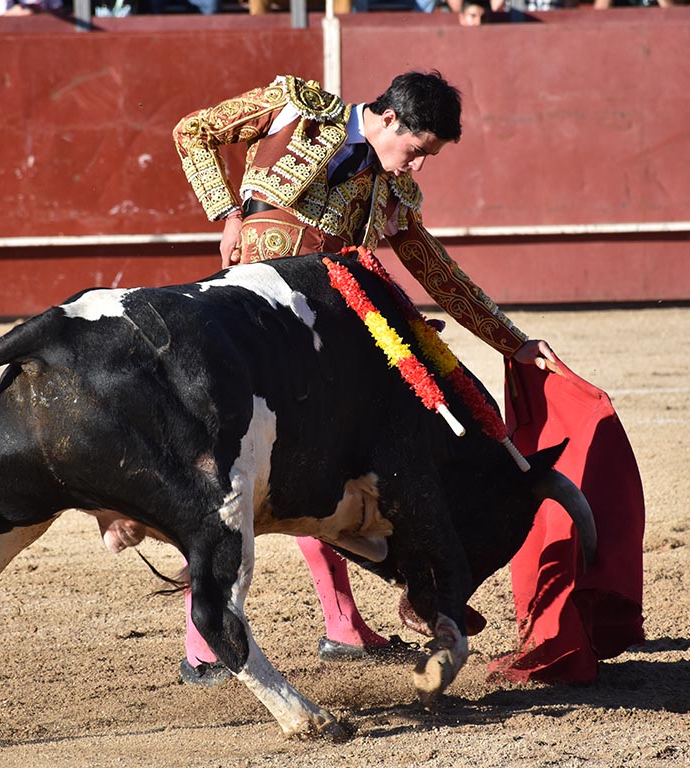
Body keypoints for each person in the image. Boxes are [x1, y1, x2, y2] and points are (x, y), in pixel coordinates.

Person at [172, 71, 556, 685]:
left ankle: (343, 621)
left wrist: (513, 342)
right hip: (246, 328)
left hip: (322, 344)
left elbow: (443, 278)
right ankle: (205, 637)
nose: (419, 169)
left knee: (329, 472)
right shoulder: (295, 108)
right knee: (228, 473)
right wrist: (226, 213)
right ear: (385, 120)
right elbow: (192, 132)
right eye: (418, 150)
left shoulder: (394, 193)